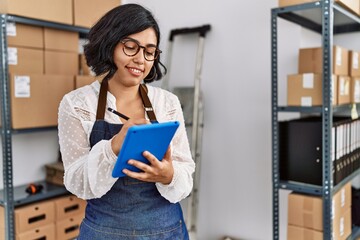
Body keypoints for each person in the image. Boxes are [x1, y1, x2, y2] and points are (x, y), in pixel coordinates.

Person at [57, 3, 195, 240]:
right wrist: (112, 148)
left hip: (166, 231)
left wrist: (168, 175)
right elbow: (75, 181)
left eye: (149, 51)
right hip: (103, 233)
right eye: (131, 47)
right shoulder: (77, 105)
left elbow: (186, 172)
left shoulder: (167, 103)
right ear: (108, 44)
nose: (141, 59)